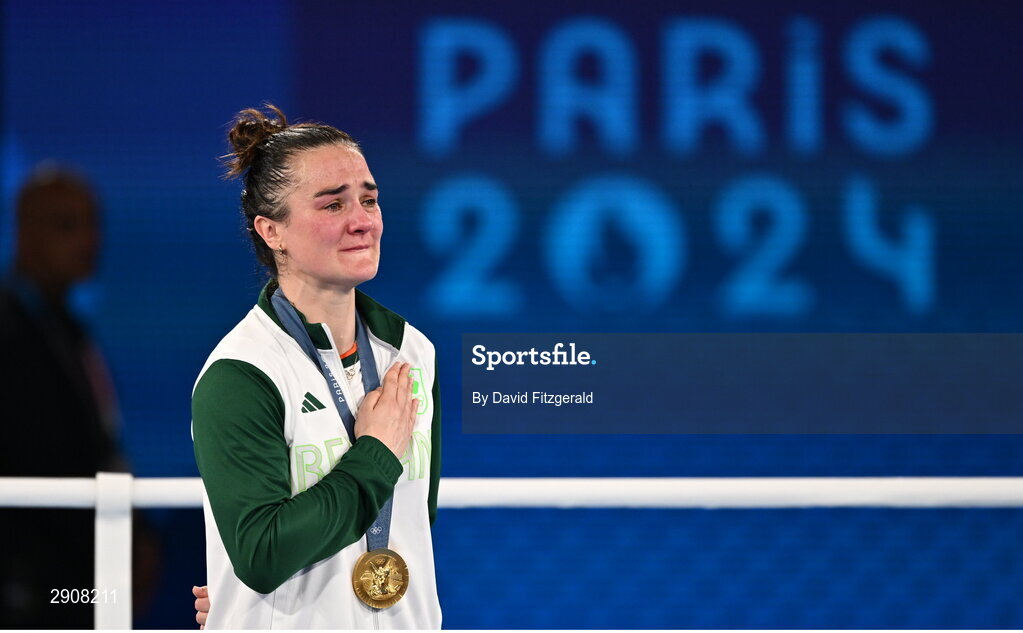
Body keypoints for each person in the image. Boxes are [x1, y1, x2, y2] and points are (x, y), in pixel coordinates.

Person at [190, 105, 441, 629]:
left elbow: (412, 522)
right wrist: (374, 454)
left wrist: (239, 595)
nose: (362, 220)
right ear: (271, 231)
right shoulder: (241, 373)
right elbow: (262, 553)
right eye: (332, 205)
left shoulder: (412, 353)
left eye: (368, 199)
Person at [0, 167, 160, 628]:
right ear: (25, 232)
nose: (87, 239)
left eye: (92, 223)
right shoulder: (11, 333)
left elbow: (99, 442)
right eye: (66, 225)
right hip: (32, 576)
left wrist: (137, 533)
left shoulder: (69, 330)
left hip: (84, 562)